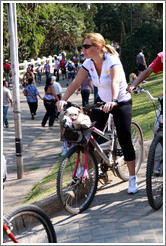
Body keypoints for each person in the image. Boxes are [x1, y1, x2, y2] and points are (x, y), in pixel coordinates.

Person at [57, 33, 138, 194]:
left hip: (120, 101)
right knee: (86, 134)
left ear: (98, 47)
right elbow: (76, 82)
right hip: (103, 102)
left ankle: (132, 178)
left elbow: (115, 82)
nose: (83, 49)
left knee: (124, 137)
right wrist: (63, 99)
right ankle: (83, 171)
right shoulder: (88, 63)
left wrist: (113, 100)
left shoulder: (112, 61)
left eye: (87, 46)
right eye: (83, 46)